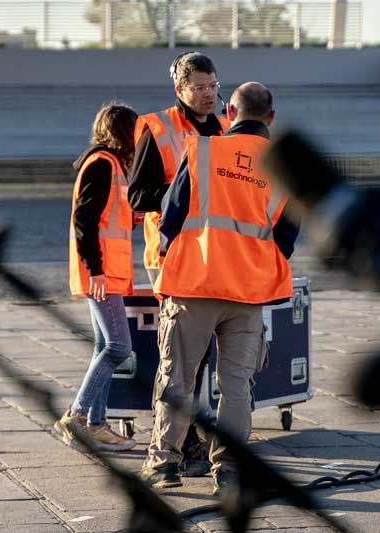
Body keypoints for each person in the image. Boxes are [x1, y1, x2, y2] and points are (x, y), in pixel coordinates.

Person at [139, 82, 300, 494]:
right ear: (271, 117)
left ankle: (164, 465)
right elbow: (286, 239)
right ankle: (228, 471)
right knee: (236, 386)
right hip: (247, 294)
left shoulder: (202, 150)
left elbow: (170, 219)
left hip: (193, 284)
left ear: (230, 111)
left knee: (178, 377)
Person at [129, 51, 231, 478]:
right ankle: (181, 440)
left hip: (218, 255)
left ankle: (191, 430)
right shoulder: (158, 127)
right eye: (200, 88)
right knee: (179, 351)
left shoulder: (228, 127)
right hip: (172, 257)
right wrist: (185, 190)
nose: (209, 95)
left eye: (213, 86)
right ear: (180, 89)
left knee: (204, 350)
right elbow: (137, 196)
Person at [54, 102, 138, 452]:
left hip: (108, 272)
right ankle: (77, 415)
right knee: (120, 348)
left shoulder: (114, 166)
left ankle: (97, 424)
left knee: (104, 346)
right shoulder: (102, 164)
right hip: (101, 273)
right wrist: (97, 270)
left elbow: (112, 218)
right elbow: (84, 221)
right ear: (122, 133)